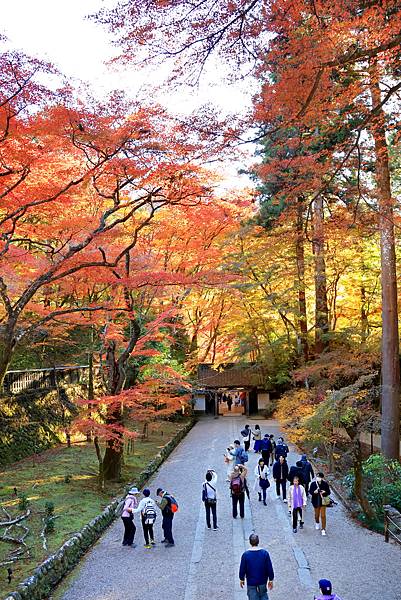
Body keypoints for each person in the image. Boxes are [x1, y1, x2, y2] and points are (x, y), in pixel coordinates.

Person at [239, 533, 274, 600]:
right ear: (258, 541)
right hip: (262, 580)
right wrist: (271, 579)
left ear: (250, 542)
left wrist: (241, 578)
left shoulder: (245, 555)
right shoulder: (264, 553)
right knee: (263, 595)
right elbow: (269, 567)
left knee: (252, 597)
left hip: (251, 581)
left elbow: (242, 568)